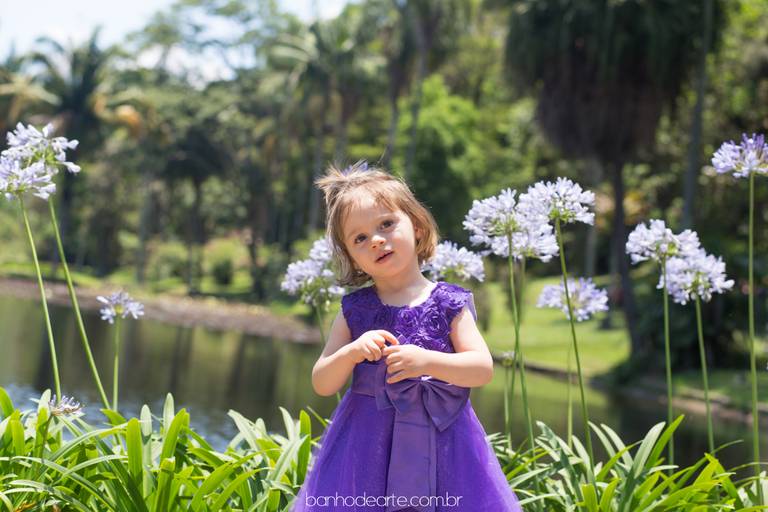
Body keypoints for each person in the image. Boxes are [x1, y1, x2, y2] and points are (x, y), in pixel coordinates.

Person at [290, 162, 522, 512]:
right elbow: (323, 382)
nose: (377, 240)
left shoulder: (448, 303)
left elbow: (481, 368)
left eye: (386, 224)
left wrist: (428, 361)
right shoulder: (355, 310)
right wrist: (352, 352)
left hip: (443, 444)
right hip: (368, 445)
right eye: (360, 238)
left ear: (415, 224)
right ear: (352, 258)